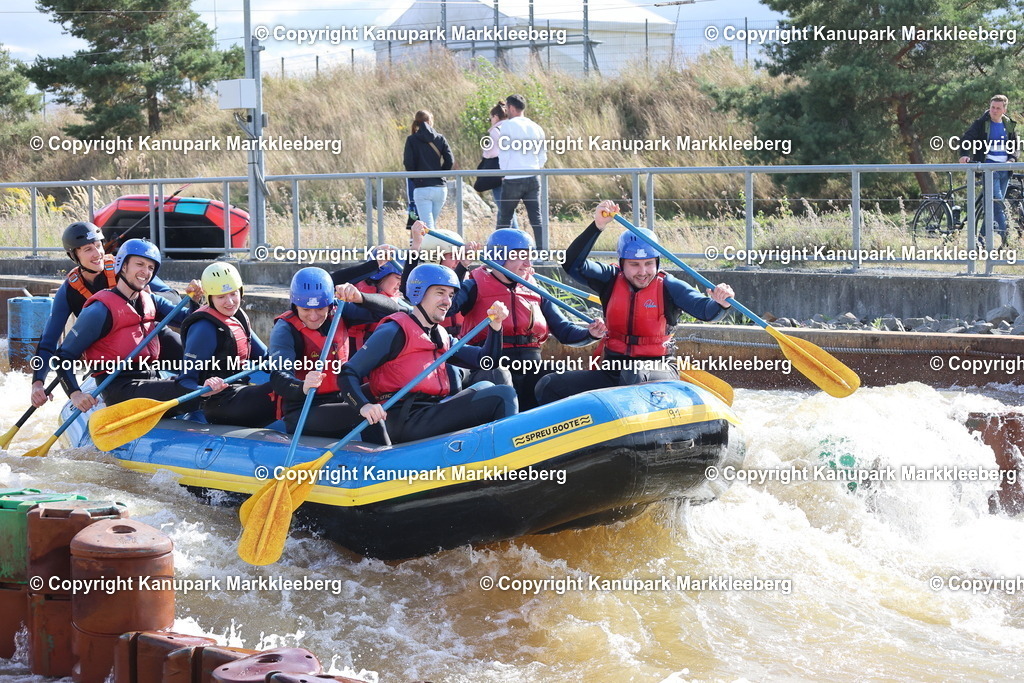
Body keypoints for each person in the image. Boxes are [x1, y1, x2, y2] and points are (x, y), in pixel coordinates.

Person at [535, 200, 735, 405]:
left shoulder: (670, 286)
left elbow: (706, 311)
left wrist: (721, 303)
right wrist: (597, 226)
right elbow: (571, 264)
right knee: (549, 385)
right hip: (613, 371)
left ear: (657, 262)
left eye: (649, 264)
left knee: (633, 374)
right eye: (634, 264)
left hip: (658, 372)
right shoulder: (610, 278)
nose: (643, 272)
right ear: (622, 264)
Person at [339, 264, 518, 444]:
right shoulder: (394, 331)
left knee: (486, 385)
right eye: (440, 293)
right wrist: (363, 406)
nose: (447, 301)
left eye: (450, 295)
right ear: (418, 293)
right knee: (503, 396)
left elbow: (487, 361)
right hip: (405, 419)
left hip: (430, 410)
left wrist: (496, 327)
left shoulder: (440, 335)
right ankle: (510, 453)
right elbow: (348, 373)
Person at [30, 222, 183, 407]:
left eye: (98, 245)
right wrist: (38, 382)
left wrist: (151, 297)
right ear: (74, 255)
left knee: (184, 350)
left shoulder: (126, 267)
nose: (97, 253)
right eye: (88, 249)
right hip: (112, 358)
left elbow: (173, 297)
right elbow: (49, 340)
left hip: (148, 338)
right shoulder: (69, 291)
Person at [454, 229, 605, 410]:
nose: (528, 263)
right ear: (499, 257)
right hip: (490, 364)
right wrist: (461, 267)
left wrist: (591, 333)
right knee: (499, 375)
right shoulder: (473, 286)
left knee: (559, 378)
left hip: (530, 363)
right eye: (521, 256)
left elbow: (564, 331)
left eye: (530, 256)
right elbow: (449, 306)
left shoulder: (535, 289)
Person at [53, 239, 202, 414]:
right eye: (139, 264)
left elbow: (188, 320)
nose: (146, 271)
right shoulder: (99, 310)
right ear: (123, 266)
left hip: (150, 379)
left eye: (150, 267)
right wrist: (75, 393)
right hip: (120, 389)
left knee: (204, 376)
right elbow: (62, 356)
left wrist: (195, 301)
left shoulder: (151, 300)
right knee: (194, 391)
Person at [268, 267, 404, 441]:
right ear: (295, 305)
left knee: (389, 387)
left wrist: (360, 298)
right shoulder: (285, 329)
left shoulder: (339, 311)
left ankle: (401, 441)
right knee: (369, 413)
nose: (313, 316)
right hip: (304, 410)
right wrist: (302, 386)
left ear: (329, 303)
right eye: (306, 309)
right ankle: (382, 457)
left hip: (342, 397)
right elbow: (278, 377)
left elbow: (396, 311)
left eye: (320, 308)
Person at [177, 262, 276, 427]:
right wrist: (203, 389)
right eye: (221, 297)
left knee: (289, 384)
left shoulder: (237, 318)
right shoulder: (203, 328)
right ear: (210, 298)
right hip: (217, 403)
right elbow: (185, 381)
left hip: (239, 391)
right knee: (281, 389)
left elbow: (267, 359)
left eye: (233, 294)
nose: (229, 302)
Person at [958, 94, 1019, 247]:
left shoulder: (1008, 124)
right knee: (998, 204)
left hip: (1005, 170)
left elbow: (1015, 147)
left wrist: (1011, 160)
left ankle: (980, 242)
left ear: (1004, 110)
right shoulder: (981, 123)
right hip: (989, 170)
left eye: (998, 108)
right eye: (992, 107)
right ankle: (1007, 239)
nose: (994, 111)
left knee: (992, 206)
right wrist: (964, 155)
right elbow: (966, 139)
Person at [496, 94, 547, 244]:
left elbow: (504, 153)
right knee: (536, 218)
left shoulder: (507, 126)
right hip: (533, 176)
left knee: (505, 218)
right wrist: (535, 168)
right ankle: (542, 251)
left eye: (506, 107)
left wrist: (504, 173)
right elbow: (543, 156)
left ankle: (499, 250)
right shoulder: (536, 127)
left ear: (511, 107)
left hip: (513, 177)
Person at [403, 110, 454, 231]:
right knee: (430, 226)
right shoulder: (440, 138)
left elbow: (408, 163)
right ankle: (433, 243)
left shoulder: (411, 139)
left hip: (422, 188)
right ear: (430, 121)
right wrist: (441, 174)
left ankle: (431, 243)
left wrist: (415, 178)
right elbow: (450, 160)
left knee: (427, 228)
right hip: (440, 188)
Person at [482, 101, 519, 230]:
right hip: (515, 174)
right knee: (505, 209)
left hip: (500, 175)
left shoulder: (495, 131)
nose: (490, 121)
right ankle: (499, 237)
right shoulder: (514, 128)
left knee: (505, 210)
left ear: (496, 117)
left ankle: (517, 237)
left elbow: (490, 153)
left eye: (490, 118)